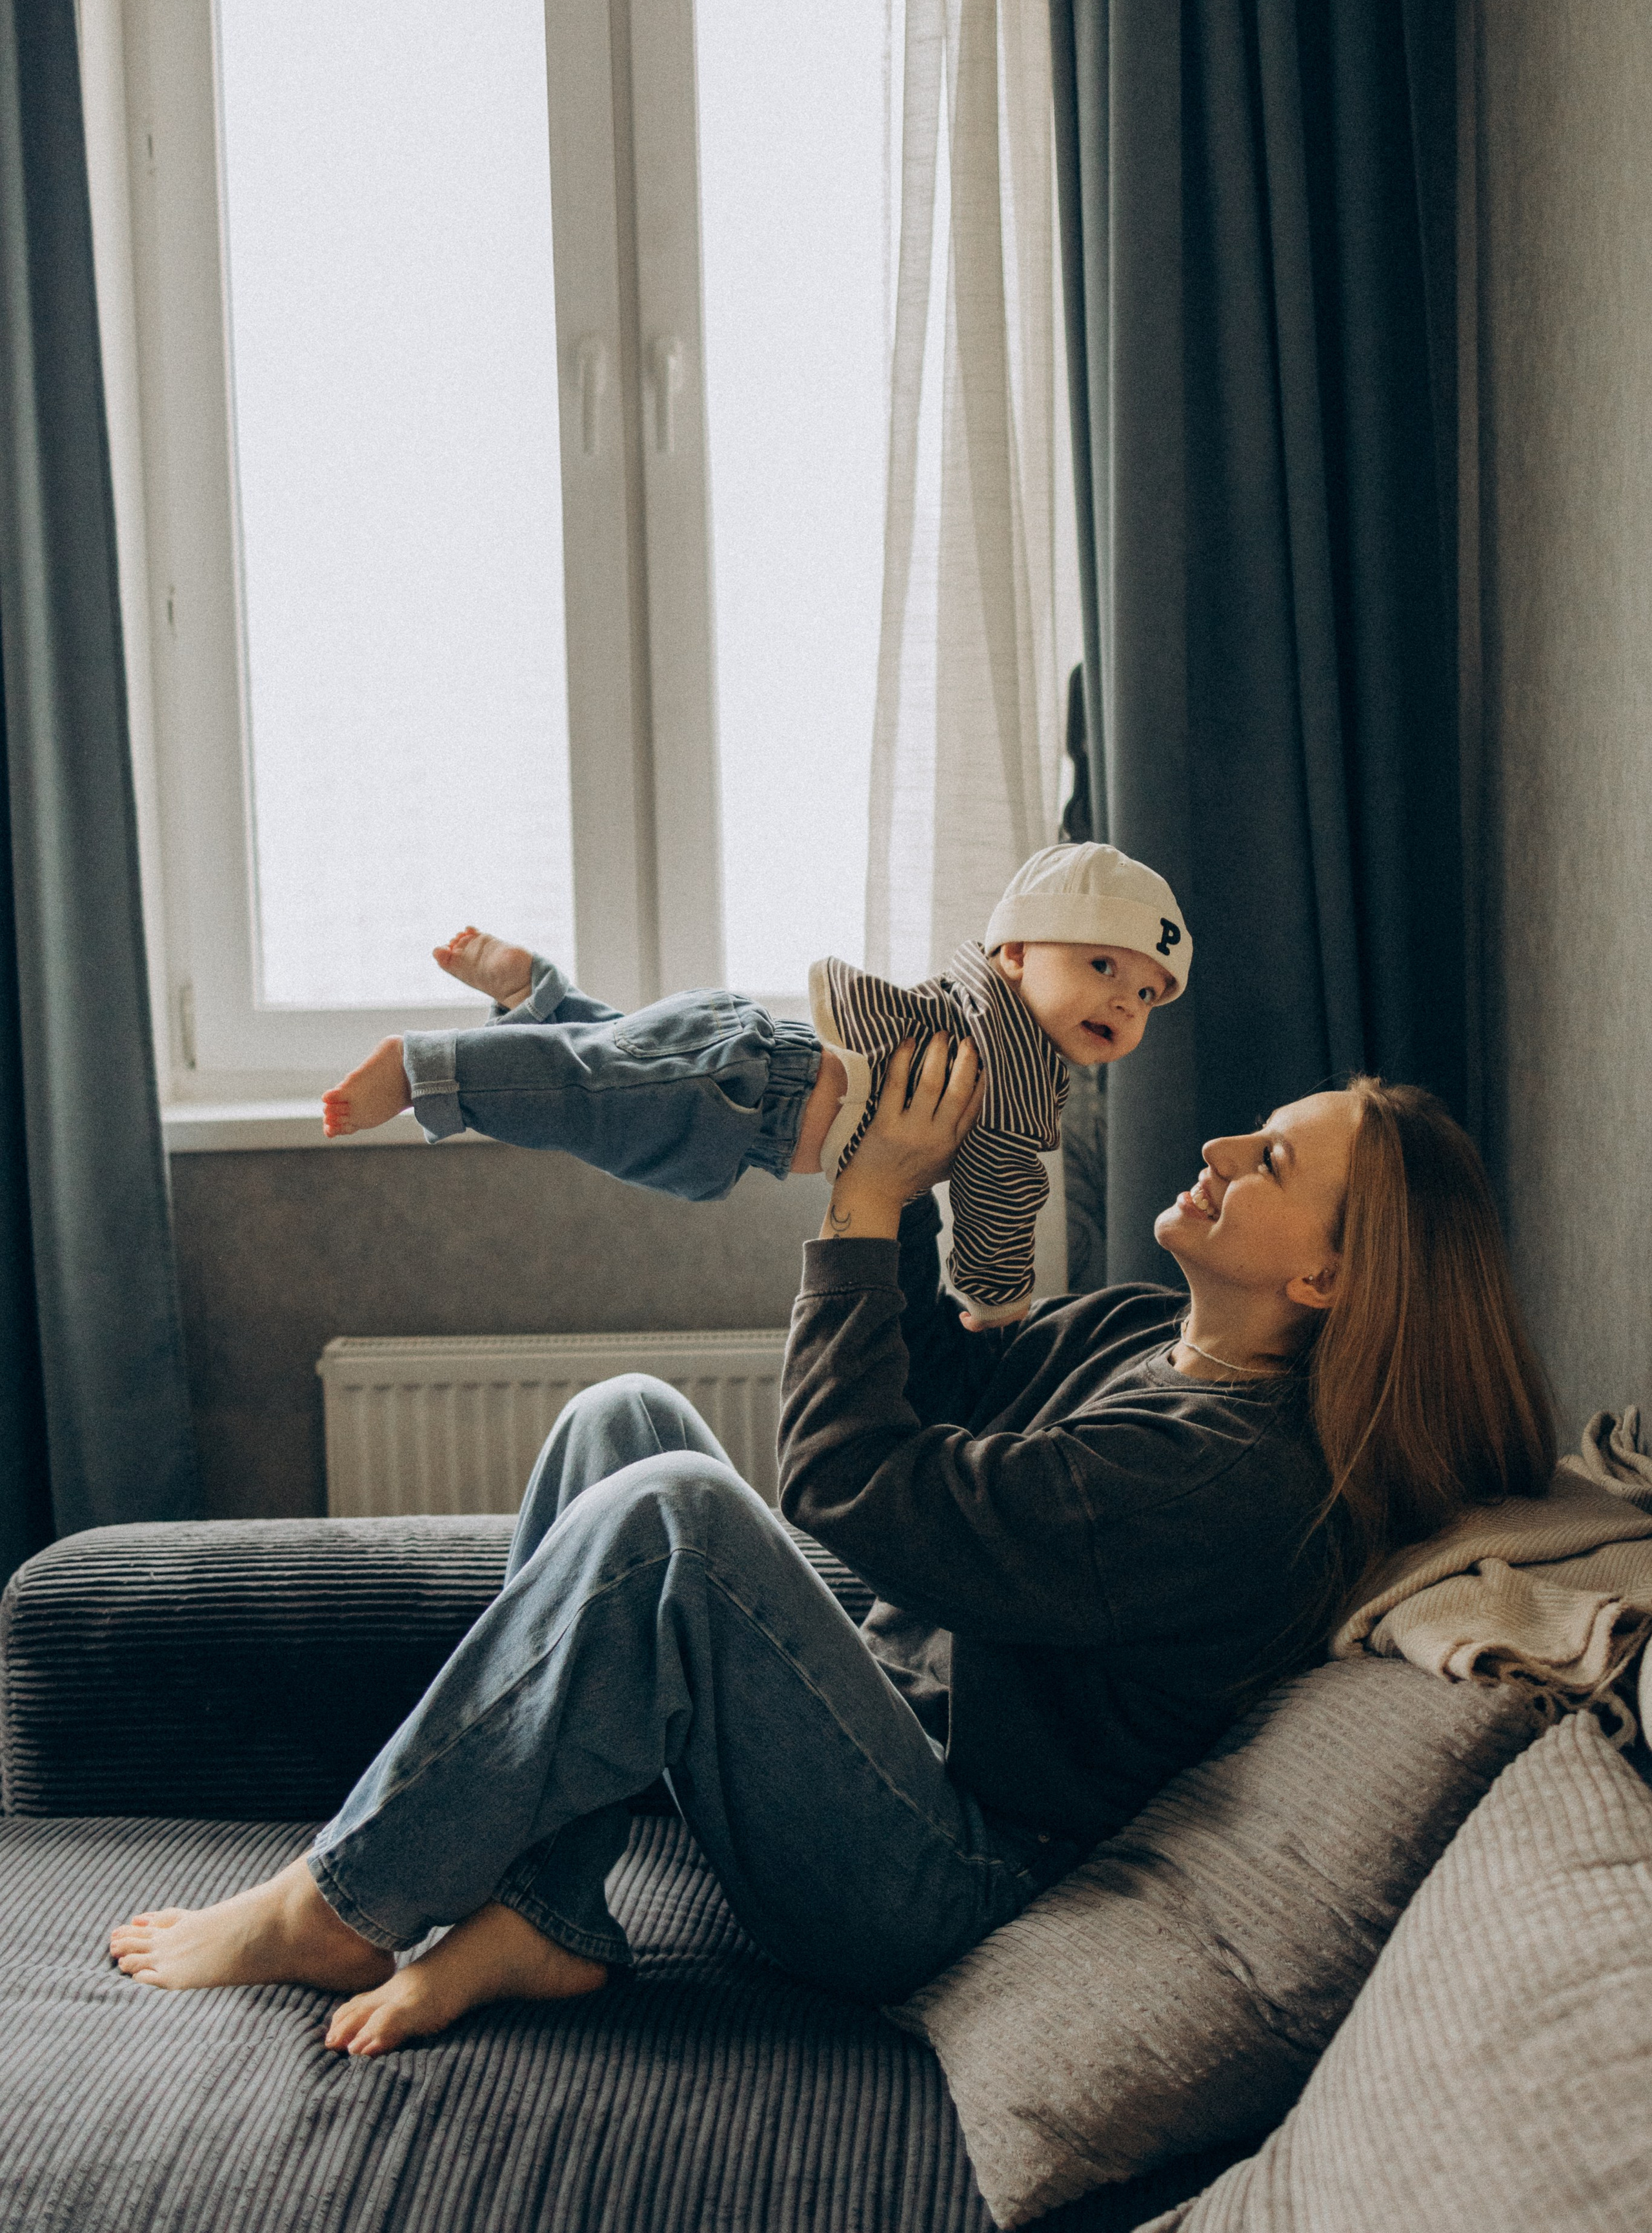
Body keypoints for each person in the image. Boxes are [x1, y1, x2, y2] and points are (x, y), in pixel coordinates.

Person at [109, 1053, 1555, 2061]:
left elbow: (858, 1484)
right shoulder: (1137, 1336)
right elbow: (922, 1380)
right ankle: (542, 1911)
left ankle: (340, 1904)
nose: (1217, 1151)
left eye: (1269, 1161)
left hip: (950, 1886)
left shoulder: (1232, 1480)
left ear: (1325, 1277)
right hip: (890, 1756)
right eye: (1246, 1132)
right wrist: (899, 1176)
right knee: (629, 1421)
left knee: (677, 1511)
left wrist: (859, 1213)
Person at [319, 842, 1191, 1325]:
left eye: (1149, 992)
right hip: (747, 1099)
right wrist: (999, 1304)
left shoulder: (977, 1016)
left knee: (614, 1074)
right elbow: (1001, 1196)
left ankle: (540, 999)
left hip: (745, 1064)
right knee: (594, 1102)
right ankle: (427, 1067)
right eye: (1105, 963)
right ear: (1014, 954)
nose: (1125, 996)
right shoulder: (1009, 1076)